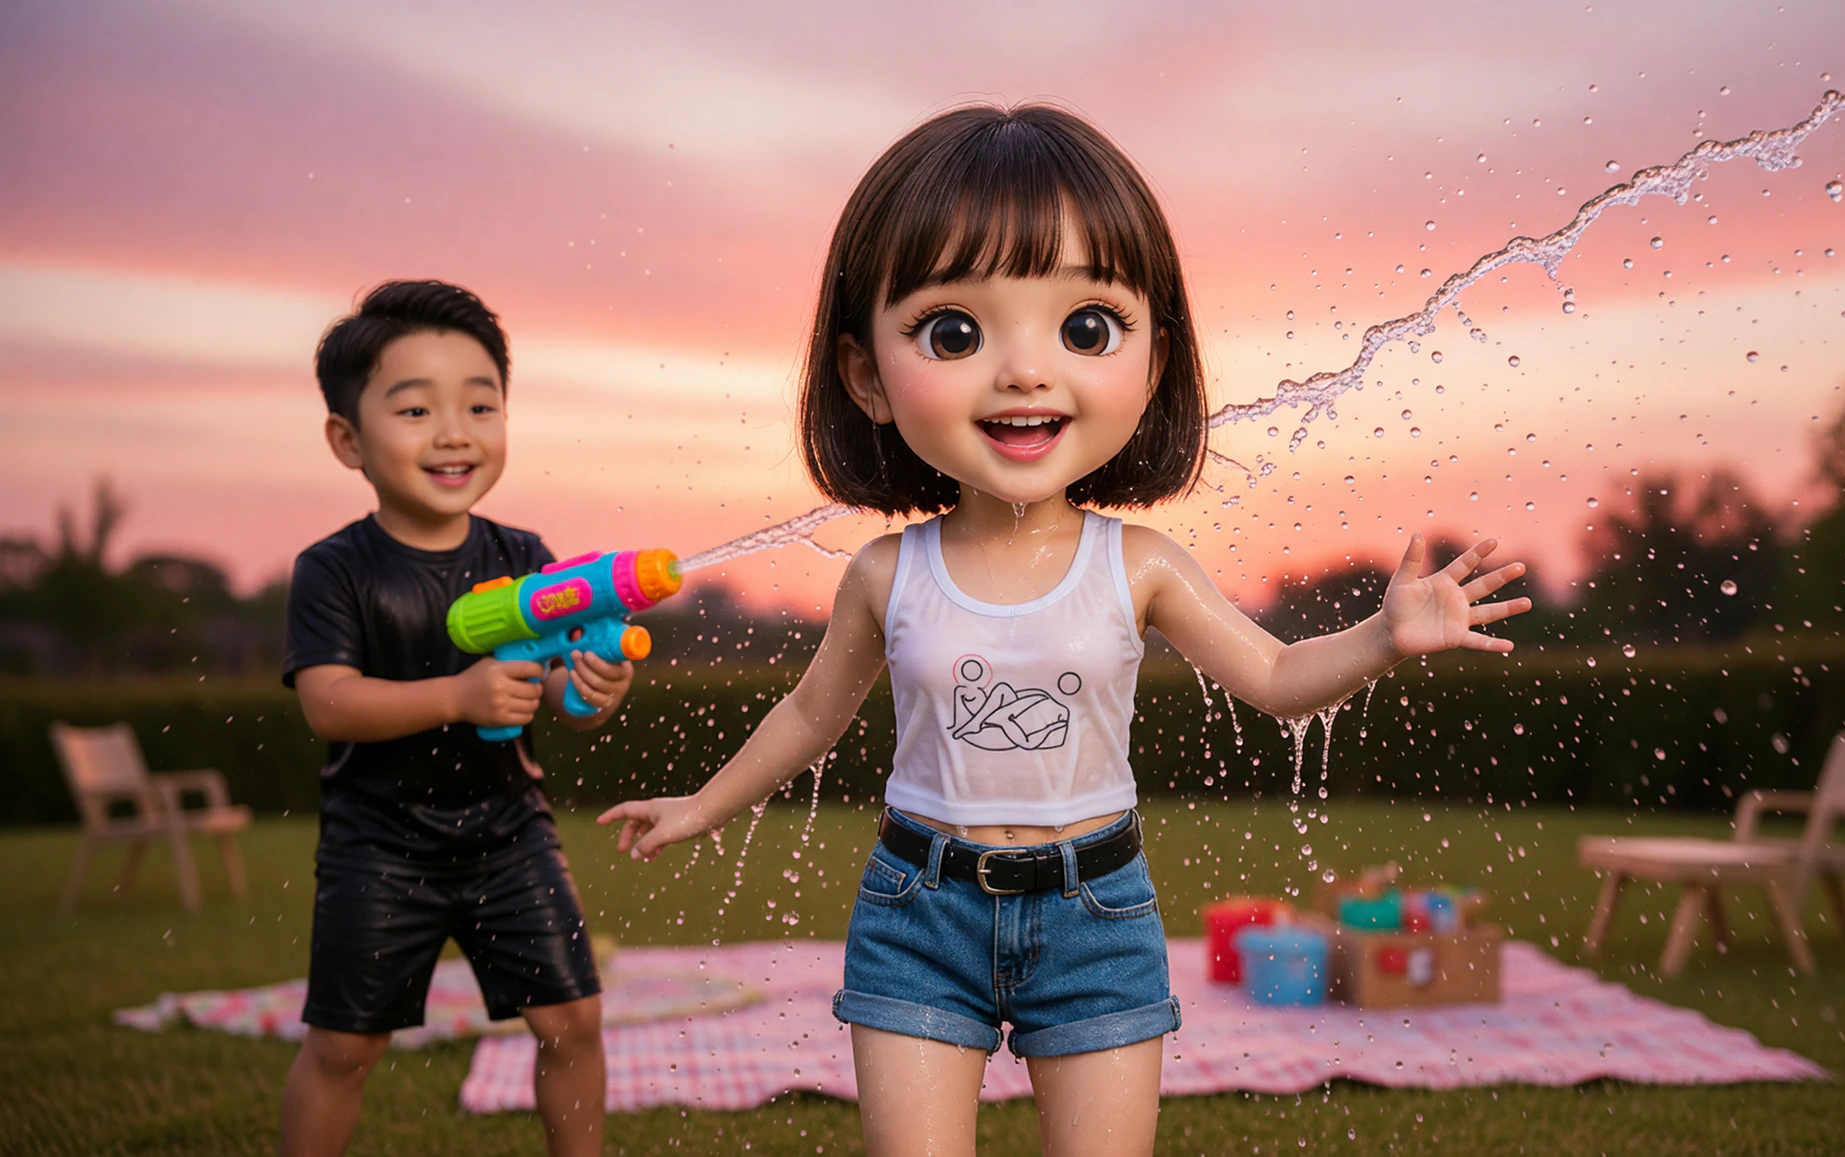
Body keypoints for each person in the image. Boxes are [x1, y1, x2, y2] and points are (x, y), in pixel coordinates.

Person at [598, 105, 1532, 1157]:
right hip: (918, 908)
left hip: (1096, 914)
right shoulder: (884, 573)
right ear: (865, 375)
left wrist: (1380, 636)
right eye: (954, 331)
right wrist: (704, 803)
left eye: (1084, 327)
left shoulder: (1134, 565)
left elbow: (1271, 675)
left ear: (1152, 359)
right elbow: (812, 712)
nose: (1023, 371)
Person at [279, 280, 626, 1157]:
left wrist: (588, 687)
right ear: (347, 440)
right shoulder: (335, 570)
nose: (454, 431)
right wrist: (457, 697)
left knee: (572, 1019)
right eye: (415, 408)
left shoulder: (524, 560)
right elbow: (328, 702)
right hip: (379, 842)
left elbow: (554, 694)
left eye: (481, 403)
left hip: (510, 832)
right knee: (345, 1045)